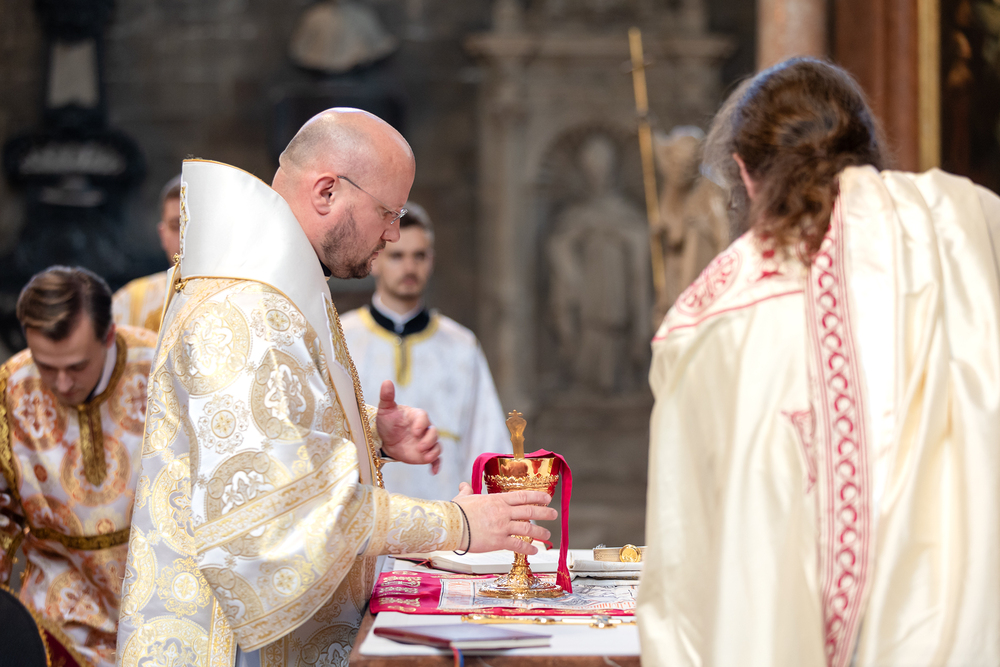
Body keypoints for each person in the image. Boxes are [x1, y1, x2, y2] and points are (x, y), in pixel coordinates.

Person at [116, 109, 557, 667]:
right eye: (388, 213)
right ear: (327, 191)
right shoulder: (247, 306)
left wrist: (369, 431)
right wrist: (460, 524)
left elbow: (273, 424)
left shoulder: (272, 281)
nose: (393, 234)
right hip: (225, 646)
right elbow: (283, 514)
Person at [637, 58, 1000, 667]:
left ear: (744, 174)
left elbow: (687, 564)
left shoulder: (716, 316)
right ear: (865, 149)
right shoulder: (962, 229)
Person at [0, 266, 157, 667]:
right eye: (46, 366)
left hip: (158, 601)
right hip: (60, 613)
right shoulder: (11, 386)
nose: (62, 384)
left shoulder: (160, 367)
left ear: (109, 336)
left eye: (76, 366)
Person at [340, 204, 511, 500]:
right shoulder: (344, 336)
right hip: (368, 513)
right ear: (375, 261)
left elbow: (487, 440)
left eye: (419, 256)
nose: (409, 268)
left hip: (447, 512)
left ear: (430, 261)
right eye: (397, 256)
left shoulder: (461, 344)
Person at [111, 175, 181, 333]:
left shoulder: (238, 299)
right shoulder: (128, 302)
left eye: (198, 226)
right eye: (177, 226)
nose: (186, 237)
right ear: (162, 235)